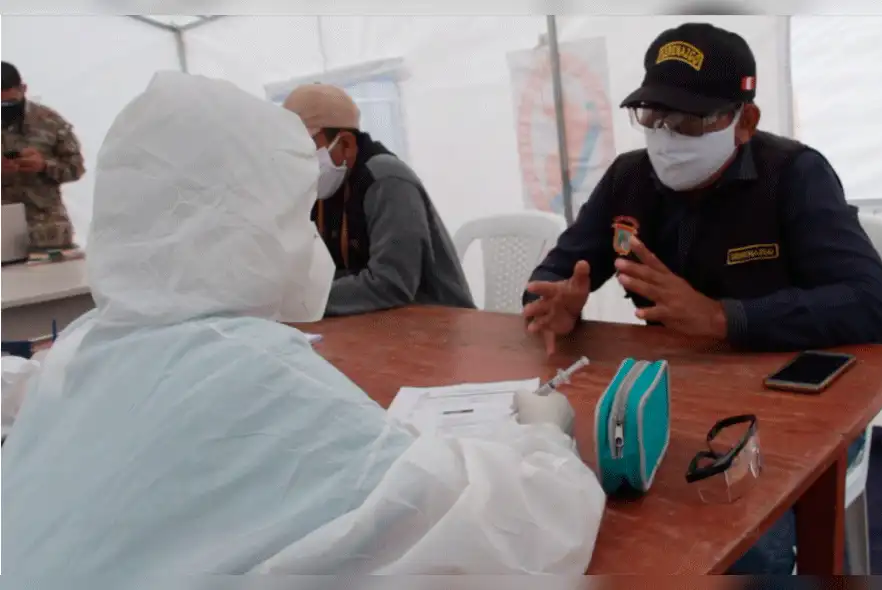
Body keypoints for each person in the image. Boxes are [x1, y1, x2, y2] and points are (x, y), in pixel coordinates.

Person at [1, 72, 604, 584]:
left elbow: (391, 283)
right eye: (287, 210)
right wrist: (545, 443)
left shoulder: (79, 353)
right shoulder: (249, 376)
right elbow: (510, 532)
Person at [522, 23, 882, 574]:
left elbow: (874, 307)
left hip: (797, 411)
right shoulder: (630, 177)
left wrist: (725, 318)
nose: (667, 137)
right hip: (674, 397)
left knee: (734, 547)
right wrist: (557, 301)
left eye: (692, 120)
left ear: (744, 120)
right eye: (653, 116)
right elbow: (560, 273)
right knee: (581, 514)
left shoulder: (795, 176)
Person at [281, 84, 476, 316]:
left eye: (306, 149)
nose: (299, 161)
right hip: (374, 324)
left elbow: (392, 283)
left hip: (437, 323)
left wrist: (302, 300)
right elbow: (320, 269)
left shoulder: (387, 180)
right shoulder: (322, 187)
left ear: (346, 144)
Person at [1, 61, 85, 251]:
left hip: (47, 233)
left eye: (9, 103)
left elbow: (76, 167)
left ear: (23, 89)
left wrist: (45, 166)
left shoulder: (49, 122)